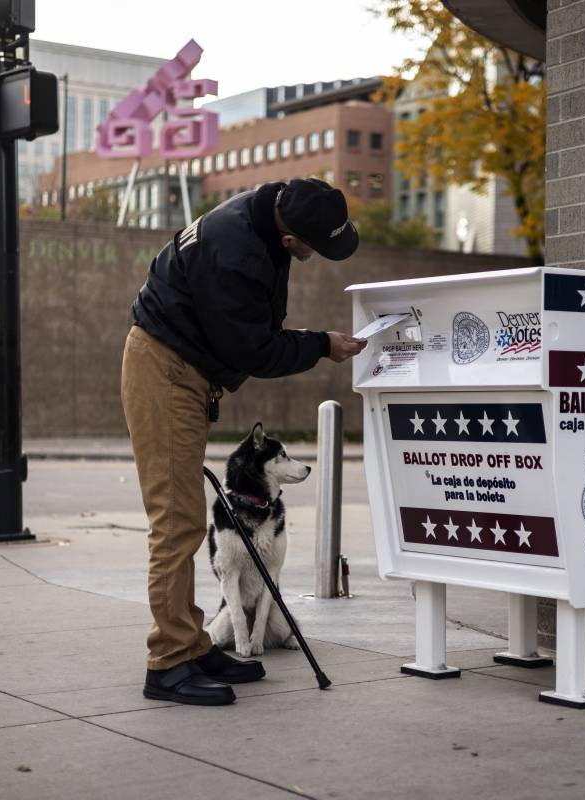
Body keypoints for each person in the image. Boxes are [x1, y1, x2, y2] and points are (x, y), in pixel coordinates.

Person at [121, 178, 367, 705]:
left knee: (183, 516)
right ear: (288, 240)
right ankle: (168, 662)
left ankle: (192, 644)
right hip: (165, 371)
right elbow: (256, 349)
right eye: (313, 248)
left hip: (182, 368)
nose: (314, 257)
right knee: (177, 521)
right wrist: (323, 345)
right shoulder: (235, 252)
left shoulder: (263, 213)